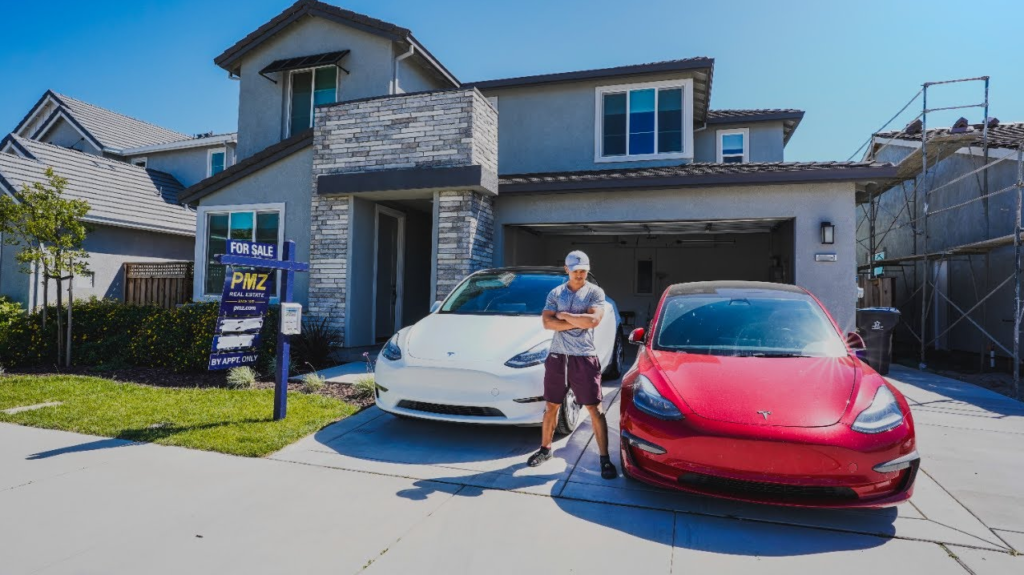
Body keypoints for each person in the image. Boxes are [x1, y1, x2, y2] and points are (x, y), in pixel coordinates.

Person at [528, 250, 617, 479]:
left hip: (584, 357)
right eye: (575, 271)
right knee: (551, 407)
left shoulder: (595, 292)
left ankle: (604, 459)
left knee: (595, 409)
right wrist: (578, 321)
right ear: (566, 269)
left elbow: (594, 320)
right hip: (558, 356)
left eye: (583, 271)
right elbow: (547, 323)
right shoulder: (555, 292)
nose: (580, 275)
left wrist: (564, 315)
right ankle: (545, 449)